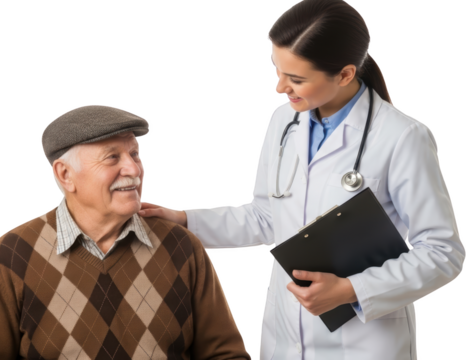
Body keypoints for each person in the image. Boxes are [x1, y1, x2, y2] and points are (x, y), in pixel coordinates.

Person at [137, 0, 465, 359]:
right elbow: (266, 218)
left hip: (363, 345)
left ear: (344, 74)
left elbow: (442, 253)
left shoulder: (402, 137)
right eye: (276, 72)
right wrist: (183, 222)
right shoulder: (284, 122)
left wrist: (352, 290)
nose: (280, 88)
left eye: (296, 79)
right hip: (285, 339)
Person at [0, 104, 252, 359]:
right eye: (112, 157)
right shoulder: (12, 254)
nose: (134, 170)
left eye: (135, 155)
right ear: (65, 175)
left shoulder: (181, 246)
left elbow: (226, 354)